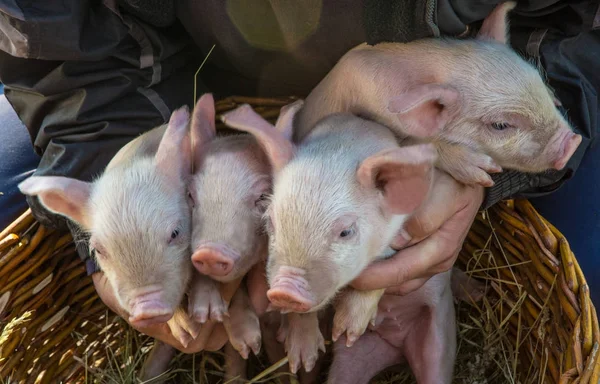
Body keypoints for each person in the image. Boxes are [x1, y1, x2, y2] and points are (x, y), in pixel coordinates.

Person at [0, 1, 597, 353]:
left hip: (479, 107)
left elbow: (573, 28)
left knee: (588, 279)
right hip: (194, 105)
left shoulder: (428, 113)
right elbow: (62, 51)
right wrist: (111, 212)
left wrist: (470, 184)